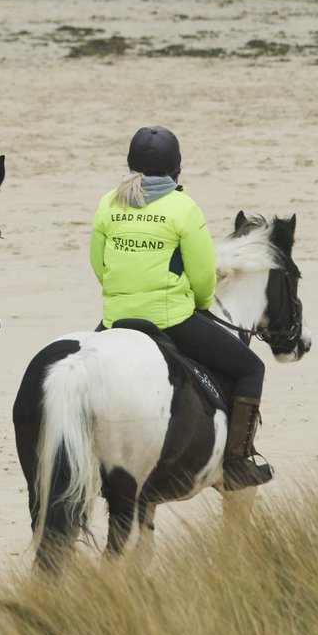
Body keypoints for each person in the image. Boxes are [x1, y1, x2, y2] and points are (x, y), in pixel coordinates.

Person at [90, 125, 271, 489]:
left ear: (130, 165)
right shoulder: (184, 208)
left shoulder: (109, 202)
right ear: (177, 171)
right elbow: (204, 279)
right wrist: (198, 302)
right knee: (251, 367)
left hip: (114, 322)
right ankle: (237, 462)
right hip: (170, 320)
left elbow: (99, 265)